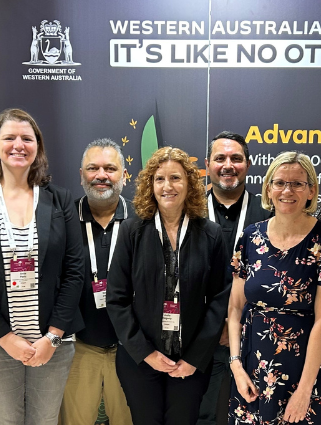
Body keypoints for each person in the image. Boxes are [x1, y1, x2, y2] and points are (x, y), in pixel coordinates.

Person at [0, 108, 84, 424]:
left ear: (37, 147)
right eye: (9, 137)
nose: (18, 145)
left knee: (45, 420)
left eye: (27, 138)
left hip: (51, 343)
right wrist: (6, 338)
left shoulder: (60, 200)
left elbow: (74, 271)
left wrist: (51, 337)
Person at [107, 146, 230, 425]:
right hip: (141, 359)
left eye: (175, 178)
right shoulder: (132, 230)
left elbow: (219, 300)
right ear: (150, 185)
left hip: (190, 361)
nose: (167, 186)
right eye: (159, 179)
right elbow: (116, 298)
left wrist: (195, 358)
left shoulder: (210, 234)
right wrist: (145, 353)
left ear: (189, 184)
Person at [228, 151, 321, 425]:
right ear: (268, 188)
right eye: (280, 182)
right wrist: (235, 364)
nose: (287, 190)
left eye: (297, 184)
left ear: (311, 191)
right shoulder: (250, 237)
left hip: (308, 370)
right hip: (253, 366)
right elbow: (235, 308)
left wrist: (304, 390)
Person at [199, 131, 272, 425]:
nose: (228, 165)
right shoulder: (189, 214)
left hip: (256, 338)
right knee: (201, 415)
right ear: (207, 164)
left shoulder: (269, 214)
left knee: (251, 414)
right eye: (220, 158)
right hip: (200, 339)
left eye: (236, 158)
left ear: (249, 164)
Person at [60, 138, 133, 425]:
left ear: (124, 177)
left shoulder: (143, 221)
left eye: (110, 168)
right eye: (93, 168)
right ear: (81, 175)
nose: (101, 175)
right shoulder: (62, 220)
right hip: (79, 348)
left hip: (130, 350)